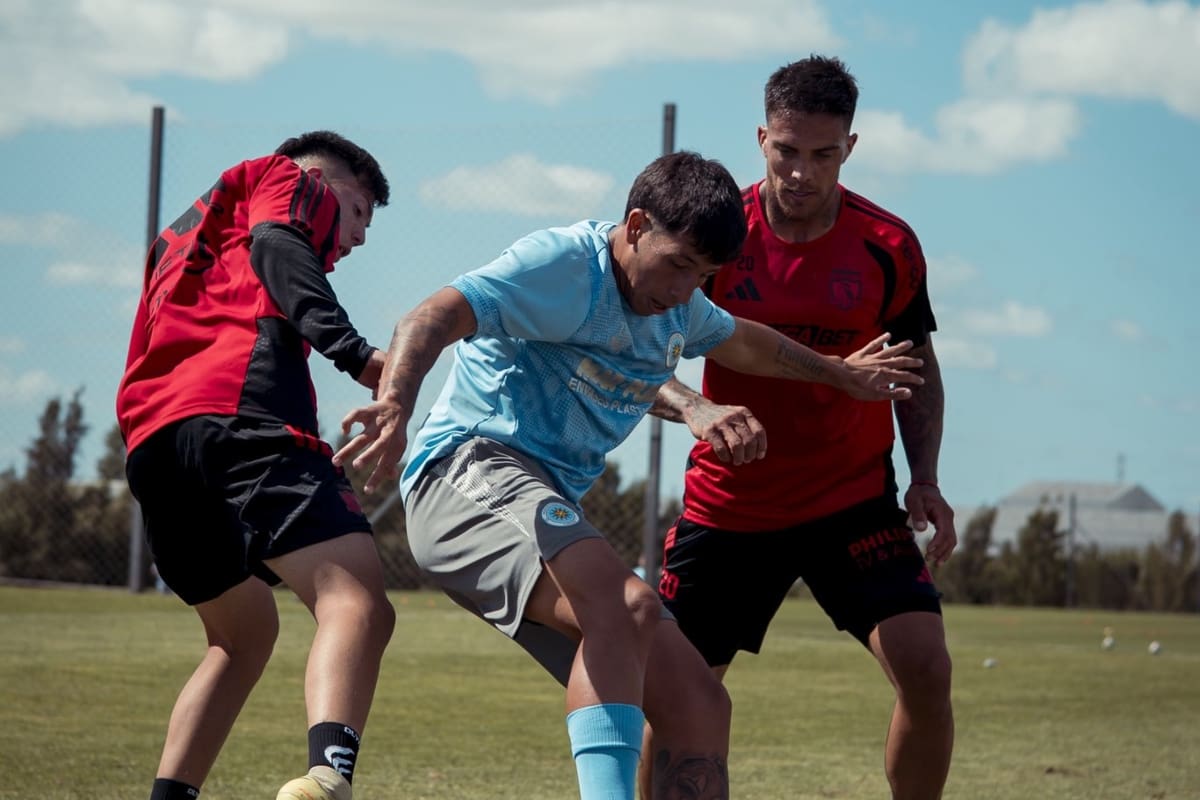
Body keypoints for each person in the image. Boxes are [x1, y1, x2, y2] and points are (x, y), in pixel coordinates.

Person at [333, 150, 923, 800]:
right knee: (623, 606)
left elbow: (748, 342)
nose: (684, 290)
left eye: (703, 276)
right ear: (637, 225)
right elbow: (431, 316)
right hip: (466, 474)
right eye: (678, 265)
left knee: (697, 701)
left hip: (542, 508)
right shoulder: (563, 265)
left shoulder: (676, 307)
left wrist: (840, 374)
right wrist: (397, 403)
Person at [645, 57, 957, 800]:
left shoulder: (889, 245)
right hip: (731, 505)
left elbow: (916, 369)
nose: (800, 173)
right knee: (678, 691)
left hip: (851, 501)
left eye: (823, 154)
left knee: (927, 666)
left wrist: (926, 477)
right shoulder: (718, 235)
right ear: (762, 139)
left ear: (851, 147)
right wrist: (696, 406)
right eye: (786, 150)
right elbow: (636, 357)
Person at [116, 131, 397, 800]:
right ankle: (328, 781)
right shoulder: (285, 179)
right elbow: (278, 245)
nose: (358, 238)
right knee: (356, 599)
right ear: (328, 181)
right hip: (240, 412)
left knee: (241, 635)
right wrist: (356, 354)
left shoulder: (179, 234)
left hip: (154, 440)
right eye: (360, 212)